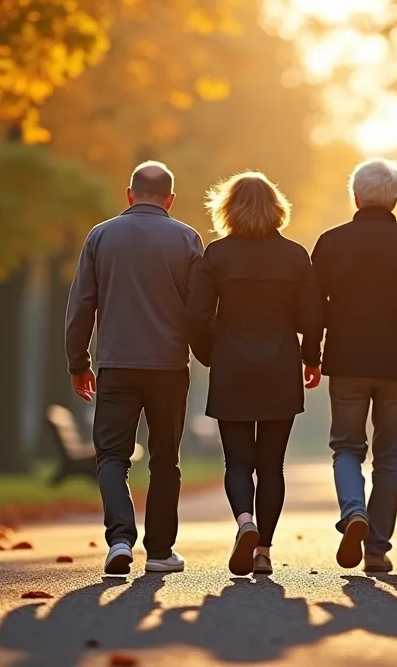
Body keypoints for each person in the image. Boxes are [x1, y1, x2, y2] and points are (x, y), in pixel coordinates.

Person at [65, 160, 203, 576]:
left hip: (116, 364)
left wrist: (78, 362)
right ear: (171, 199)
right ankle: (160, 551)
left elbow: (81, 305)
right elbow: (199, 310)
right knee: (165, 458)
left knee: (111, 455)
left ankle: (120, 538)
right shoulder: (187, 239)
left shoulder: (101, 236)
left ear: (129, 194)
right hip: (168, 366)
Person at [311, 158, 397, 573]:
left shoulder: (331, 243)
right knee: (389, 455)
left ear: (355, 196)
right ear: (395, 199)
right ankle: (377, 548)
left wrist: (312, 355)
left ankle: (354, 511)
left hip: (347, 360)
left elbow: (313, 308)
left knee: (346, 447)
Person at [186, 171, 324, 577]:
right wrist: (311, 358)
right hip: (281, 366)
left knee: (237, 462)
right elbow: (313, 316)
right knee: (272, 465)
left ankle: (245, 521)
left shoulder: (217, 255)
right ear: (277, 208)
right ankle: (263, 549)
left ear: (227, 209)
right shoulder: (296, 255)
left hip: (232, 365)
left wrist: (209, 354)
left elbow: (196, 315)